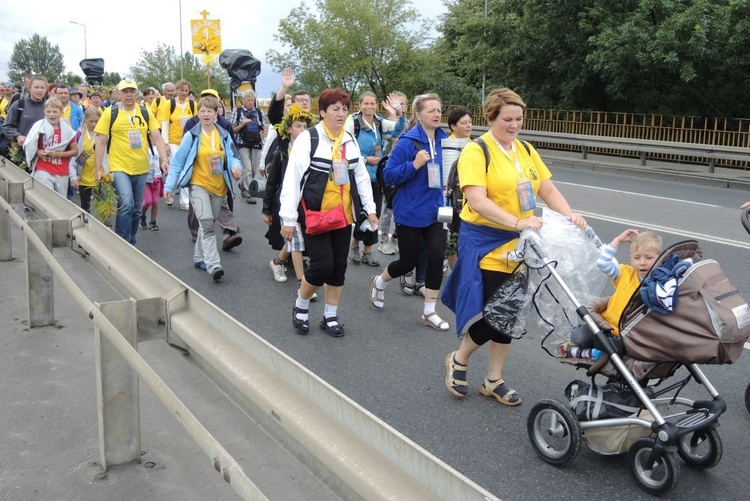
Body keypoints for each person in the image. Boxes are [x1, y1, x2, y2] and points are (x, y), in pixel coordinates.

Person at [441, 87, 587, 406]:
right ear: (490, 117)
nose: (514, 125)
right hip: (487, 243)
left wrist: (570, 214)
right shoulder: (477, 152)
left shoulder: (525, 150)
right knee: (495, 315)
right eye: (507, 119)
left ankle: (494, 379)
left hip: (522, 244)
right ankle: (460, 358)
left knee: (510, 315)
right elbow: (477, 201)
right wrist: (517, 222)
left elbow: (546, 188)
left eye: (519, 118)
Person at [279, 88, 378, 338]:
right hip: (316, 214)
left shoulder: (349, 139)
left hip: (344, 216)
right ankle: (301, 305)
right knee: (322, 266)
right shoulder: (309, 139)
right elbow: (291, 180)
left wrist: (371, 209)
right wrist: (288, 219)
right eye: (335, 108)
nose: (341, 113)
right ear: (322, 112)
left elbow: (361, 177)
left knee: (338, 269)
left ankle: (330, 315)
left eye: (344, 109)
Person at [369, 93, 451, 331]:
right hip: (411, 211)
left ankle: (429, 312)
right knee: (408, 262)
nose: (436, 114)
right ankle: (380, 281)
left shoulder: (443, 141)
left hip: (436, 211)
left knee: (436, 258)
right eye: (431, 110)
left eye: (438, 110)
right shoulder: (407, 141)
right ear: (418, 114)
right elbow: (388, 174)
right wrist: (414, 164)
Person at [164, 95, 242, 281]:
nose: (206, 114)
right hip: (198, 185)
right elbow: (177, 163)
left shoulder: (223, 134)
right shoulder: (192, 135)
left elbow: (233, 156)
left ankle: (199, 257)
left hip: (219, 187)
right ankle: (213, 264)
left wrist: (235, 167)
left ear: (216, 114)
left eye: (210, 111)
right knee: (207, 224)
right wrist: (169, 185)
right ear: (198, 113)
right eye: (202, 111)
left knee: (208, 223)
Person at [558, 229, 662, 360]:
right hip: (605, 326)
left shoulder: (658, 282)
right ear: (631, 259)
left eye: (649, 257)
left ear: (659, 259)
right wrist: (617, 241)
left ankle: (583, 353)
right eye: (637, 257)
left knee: (616, 349)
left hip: (627, 334)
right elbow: (603, 264)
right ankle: (592, 351)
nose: (642, 262)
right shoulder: (625, 273)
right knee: (578, 336)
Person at [94, 80, 170, 245]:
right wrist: (98, 168)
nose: (128, 95)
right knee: (126, 203)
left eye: (132, 91)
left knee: (136, 208)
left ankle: (132, 239)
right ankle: (123, 243)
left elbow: (157, 138)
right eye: (125, 91)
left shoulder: (145, 112)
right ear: (119, 94)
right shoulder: (110, 113)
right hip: (118, 166)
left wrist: (164, 159)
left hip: (141, 167)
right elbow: (100, 142)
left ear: (137, 94)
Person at [345, 91, 406, 267]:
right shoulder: (353, 124)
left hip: (377, 176)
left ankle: (368, 252)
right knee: (361, 212)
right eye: (366, 104)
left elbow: (397, 130)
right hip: (358, 174)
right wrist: (365, 160)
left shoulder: (379, 122)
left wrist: (399, 113)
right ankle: (355, 246)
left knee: (375, 213)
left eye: (372, 104)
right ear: (359, 105)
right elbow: (345, 149)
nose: (369, 107)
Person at [263, 104, 317, 297]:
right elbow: (272, 182)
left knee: (298, 239)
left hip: (306, 202)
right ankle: (303, 283)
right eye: (298, 126)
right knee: (297, 240)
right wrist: (267, 209)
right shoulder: (282, 152)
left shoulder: (312, 150)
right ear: (288, 129)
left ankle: (277, 262)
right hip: (286, 203)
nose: (302, 130)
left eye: (305, 127)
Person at [182, 89, 242, 251]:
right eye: (205, 101)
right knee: (199, 207)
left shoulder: (224, 124)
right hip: (199, 174)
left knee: (224, 202)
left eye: (212, 101)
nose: (207, 111)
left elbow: (232, 149)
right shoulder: (191, 123)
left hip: (220, 173)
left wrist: (235, 166)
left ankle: (228, 233)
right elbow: (185, 151)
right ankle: (197, 232)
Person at [24, 97, 79, 196]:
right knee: (47, 196)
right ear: (44, 112)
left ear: (61, 112)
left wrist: (59, 154)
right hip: (43, 168)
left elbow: (75, 151)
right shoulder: (39, 127)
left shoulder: (67, 130)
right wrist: (38, 152)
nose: (51, 114)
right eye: (48, 111)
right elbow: (30, 144)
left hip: (61, 170)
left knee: (59, 202)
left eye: (54, 111)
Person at [158, 79, 195, 210]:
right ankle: (170, 193)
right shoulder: (169, 104)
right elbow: (165, 123)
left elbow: (196, 123)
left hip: (187, 142)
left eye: (186, 90)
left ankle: (185, 201)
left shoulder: (192, 104)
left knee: (186, 170)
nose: (184, 93)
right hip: (173, 142)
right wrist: (165, 143)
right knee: (174, 170)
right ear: (177, 90)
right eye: (181, 90)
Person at [444, 106, 473, 270]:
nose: (468, 126)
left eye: (470, 122)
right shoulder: (447, 146)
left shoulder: (473, 145)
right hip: (451, 198)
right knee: (452, 237)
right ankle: (453, 270)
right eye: (464, 123)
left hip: (469, 199)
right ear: (453, 126)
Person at [230, 89, 266, 203]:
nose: (251, 102)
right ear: (243, 100)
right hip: (242, 143)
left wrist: (262, 134)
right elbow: (233, 130)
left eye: (252, 100)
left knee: (255, 168)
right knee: (247, 168)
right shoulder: (238, 112)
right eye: (248, 100)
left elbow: (264, 129)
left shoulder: (259, 113)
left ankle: (243, 184)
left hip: (256, 143)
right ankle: (249, 193)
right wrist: (242, 124)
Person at [3, 75, 49, 148]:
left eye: (42, 87)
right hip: (22, 152)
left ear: (46, 89)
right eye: (36, 87)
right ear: (30, 88)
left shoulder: (50, 106)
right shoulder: (19, 105)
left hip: (44, 152)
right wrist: (17, 136)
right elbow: (7, 126)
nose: (40, 90)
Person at [73, 106, 101, 213]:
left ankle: (105, 224)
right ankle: (86, 224)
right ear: (85, 120)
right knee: (85, 203)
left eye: (96, 121)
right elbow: (74, 154)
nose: (94, 124)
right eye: (91, 121)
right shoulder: (79, 134)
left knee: (102, 202)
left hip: (99, 173)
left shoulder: (103, 134)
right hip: (83, 173)